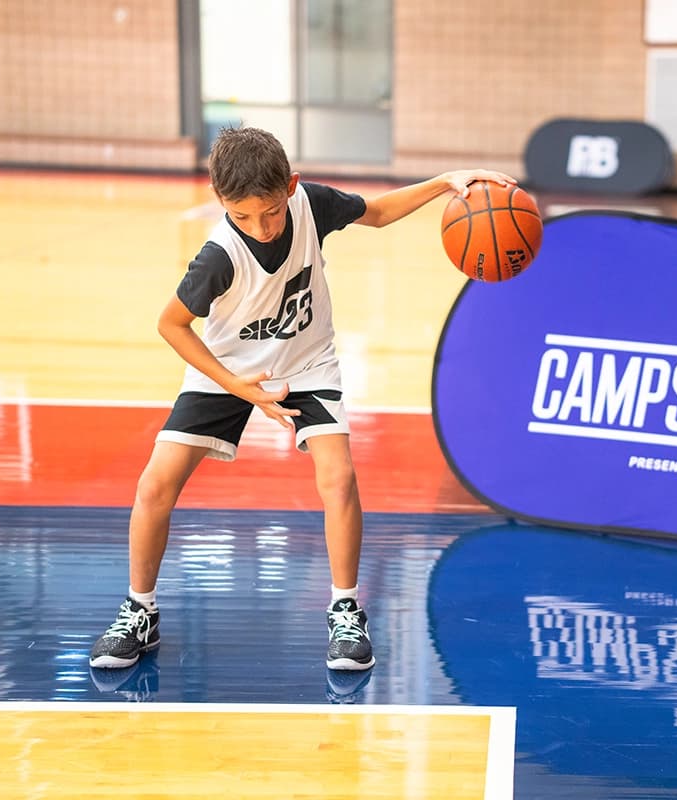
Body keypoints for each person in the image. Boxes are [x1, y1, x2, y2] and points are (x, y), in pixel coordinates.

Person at [89, 126, 514, 672]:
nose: (259, 228)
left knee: (339, 478)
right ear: (221, 204)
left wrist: (446, 181)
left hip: (306, 361)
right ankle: (140, 610)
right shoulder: (219, 256)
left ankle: (344, 610)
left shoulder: (313, 204)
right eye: (241, 216)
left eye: (268, 212)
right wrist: (236, 385)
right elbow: (171, 325)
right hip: (228, 367)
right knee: (155, 483)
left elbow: (379, 214)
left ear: (289, 187)